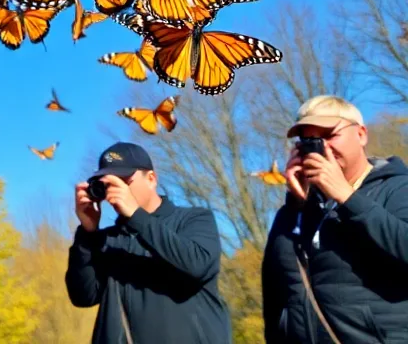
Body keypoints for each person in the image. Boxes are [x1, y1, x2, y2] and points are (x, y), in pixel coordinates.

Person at [262, 95, 408, 343]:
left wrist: (348, 197)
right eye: (309, 141)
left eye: (329, 135)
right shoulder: (295, 212)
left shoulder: (398, 187)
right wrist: (295, 205)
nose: (322, 148)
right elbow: (277, 287)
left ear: (361, 134)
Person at [65, 141, 230, 343]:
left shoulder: (194, 219)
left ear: (151, 178)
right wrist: (88, 233)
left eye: (125, 180)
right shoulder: (106, 240)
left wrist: (137, 216)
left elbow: (197, 265)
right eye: (108, 184)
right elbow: (83, 296)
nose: (117, 191)